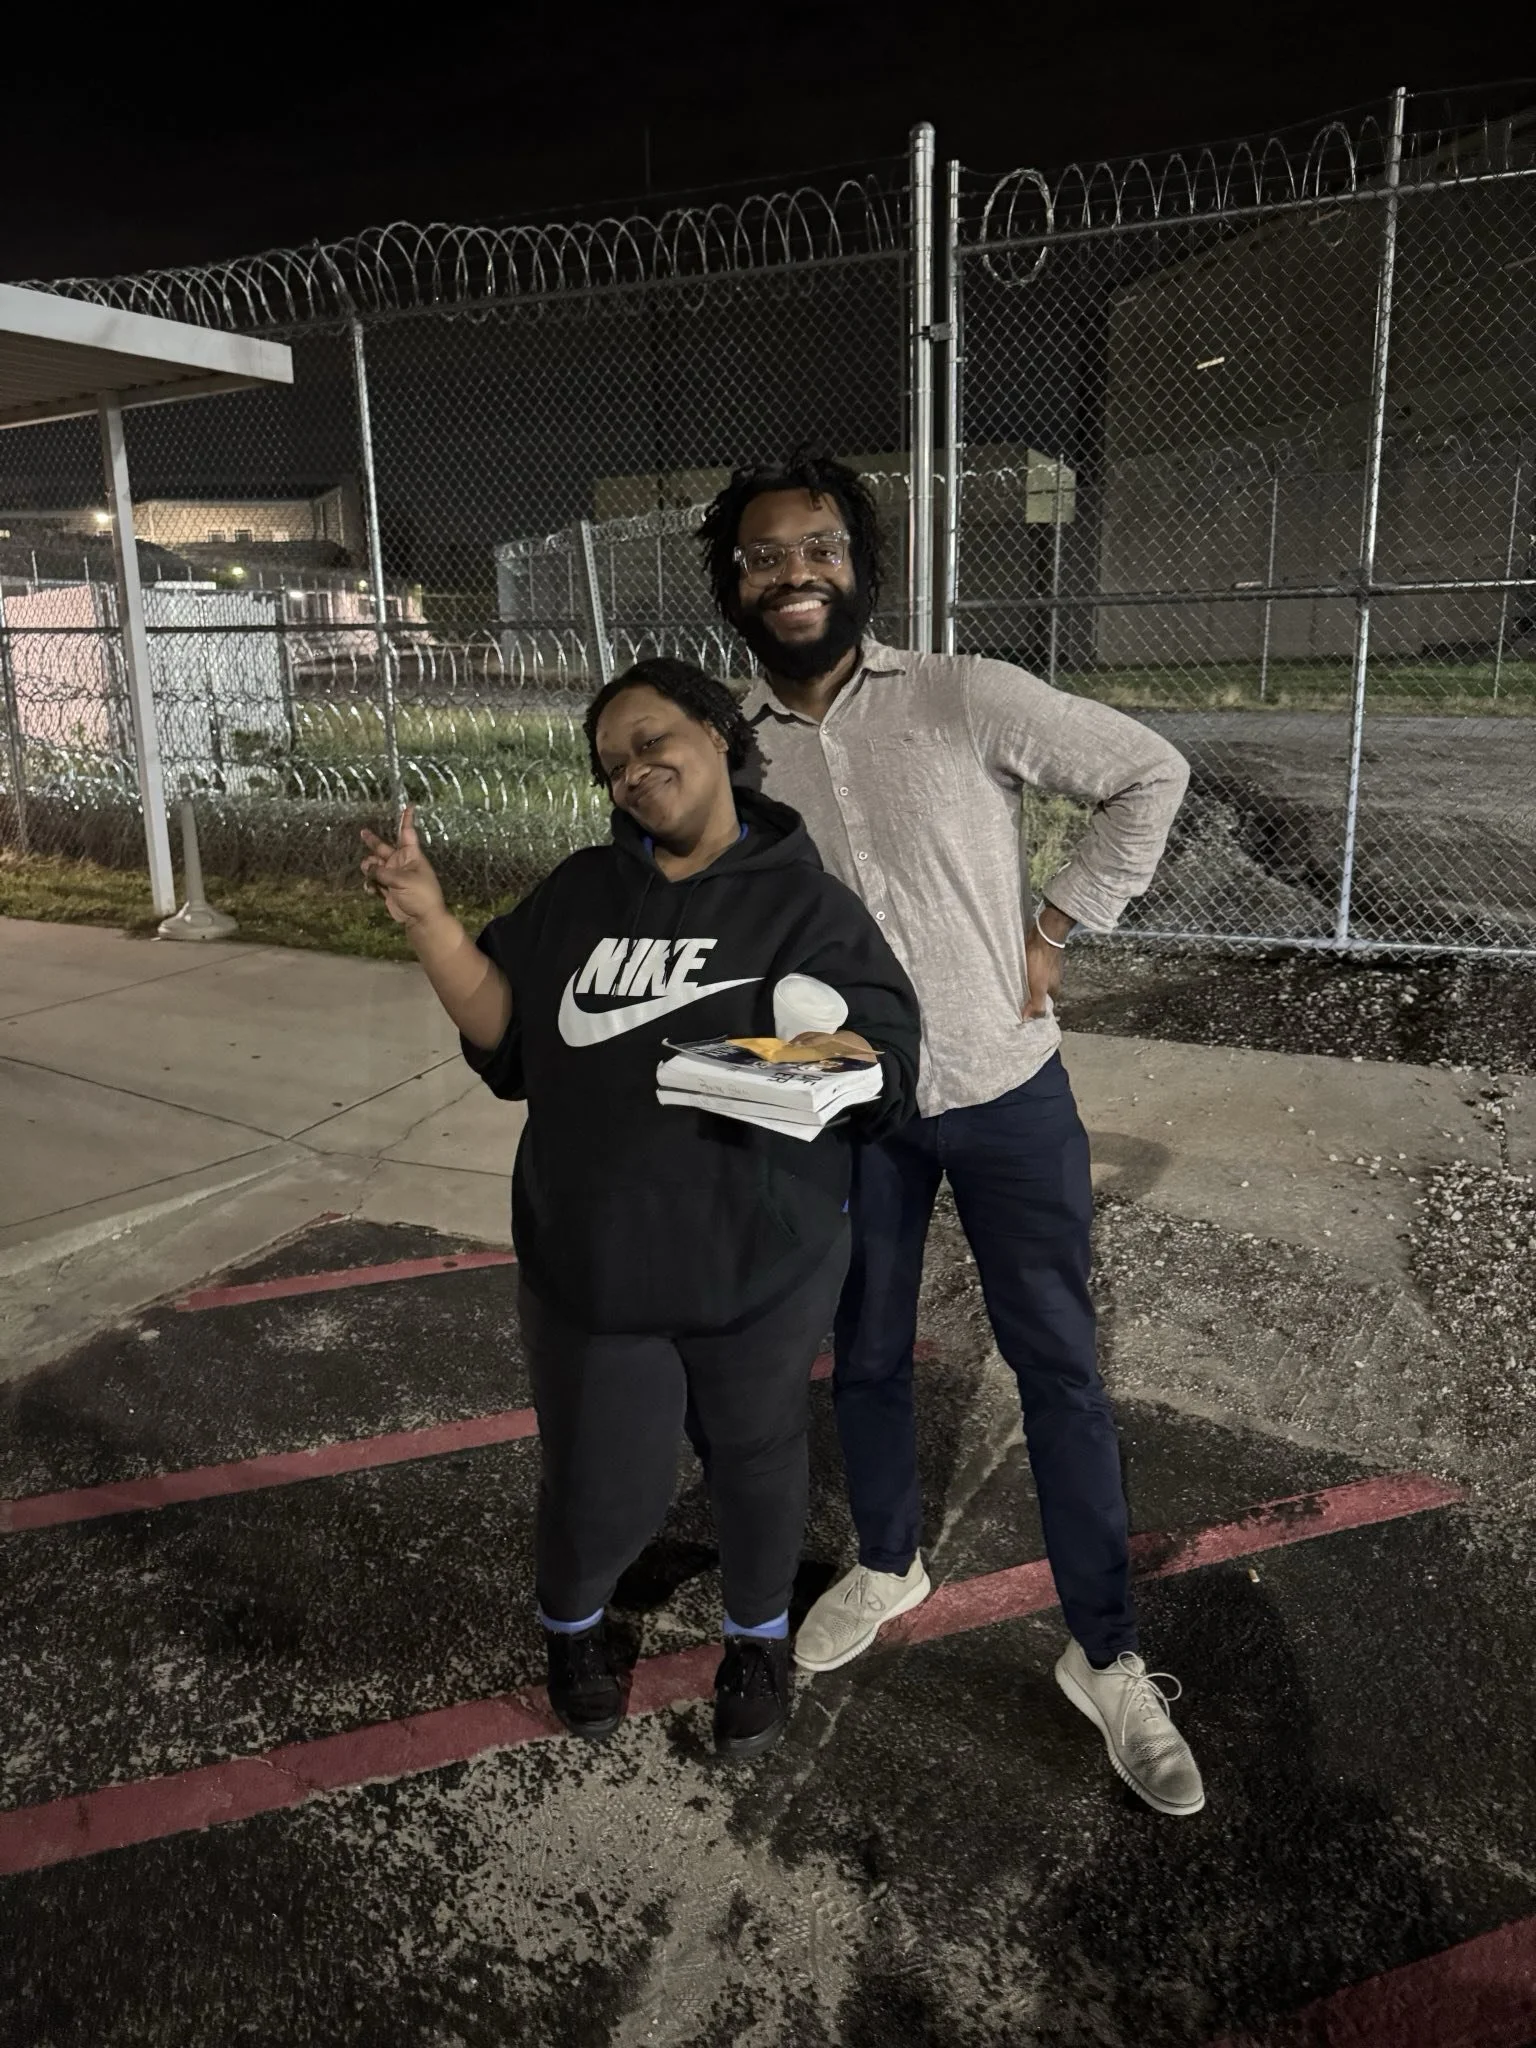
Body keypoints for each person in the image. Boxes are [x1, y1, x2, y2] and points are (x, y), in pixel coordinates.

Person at [697, 454, 1204, 1816]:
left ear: (860, 563)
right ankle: (888, 1562)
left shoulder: (959, 693)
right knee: (864, 1356)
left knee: (1060, 1370)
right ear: (732, 585)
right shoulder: (731, 747)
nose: (794, 573)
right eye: (763, 555)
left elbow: (1148, 771)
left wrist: (1056, 925)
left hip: (1004, 1088)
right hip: (848, 1103)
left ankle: (1106, 1652)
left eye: (818, 546)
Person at [360, 656, 920, 1761]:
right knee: (597, 1479)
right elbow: (507, 1035)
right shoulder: (582, 891)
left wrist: (836, 1055)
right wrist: (430, 920)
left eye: (654, 738)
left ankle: (756, 1637)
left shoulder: (805, 902)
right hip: (594, 1261)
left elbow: (885, 1052)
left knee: (758, 1458)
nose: (634, 768)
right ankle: (573, 1627)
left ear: (719, 734)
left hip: (760, 1260)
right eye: (613, 761)